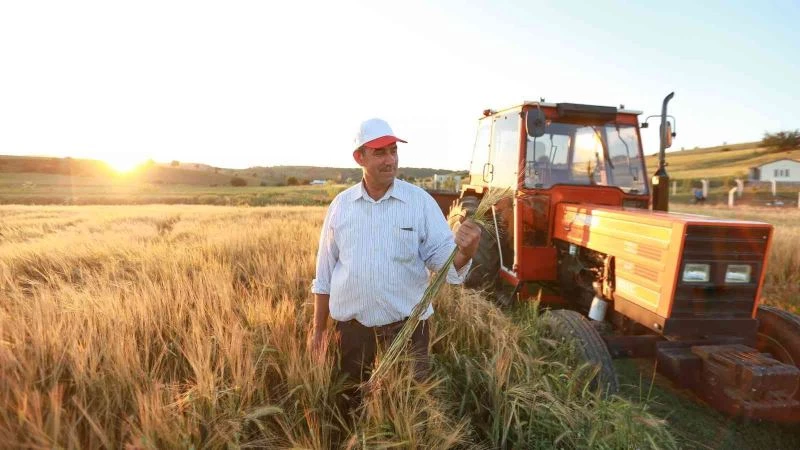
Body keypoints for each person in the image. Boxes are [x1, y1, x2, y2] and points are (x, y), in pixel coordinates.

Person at [309, 117, 482, 393]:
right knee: (352, 406)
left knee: (409, 410)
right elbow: (324, 274)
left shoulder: (420, 202)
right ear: (359, 157)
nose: (390, 160)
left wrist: (466, 250)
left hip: (408, 333)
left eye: (393, 150)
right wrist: (318, 330)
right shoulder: (341, 206)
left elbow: (445, 264)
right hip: (353, 334)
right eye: (380, 152)